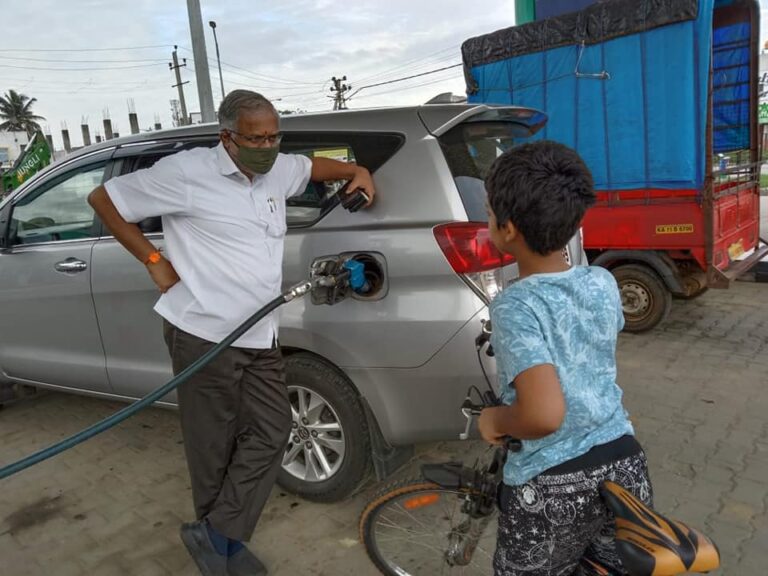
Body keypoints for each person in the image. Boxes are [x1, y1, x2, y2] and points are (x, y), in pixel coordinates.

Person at [88, 90, 376, 576]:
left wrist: (356, 172)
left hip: (259, 331)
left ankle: (217, 532)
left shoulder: (277, 169)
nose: (268, 145)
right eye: (256, 137)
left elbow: (311, 168)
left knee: (272, 429)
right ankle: (222, 549)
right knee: (213, 445)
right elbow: (104, 199)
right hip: (203, 333)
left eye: (273, 135)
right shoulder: (186, 173)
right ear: (228, 137)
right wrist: (154, 261)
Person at [476, 140, 653, 575]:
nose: (487, 219)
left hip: (555, 485)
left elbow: (544, 415)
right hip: (624, 465)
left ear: (509, 230)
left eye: (489, 211)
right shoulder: (602, 282)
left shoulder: (517, 306)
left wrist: (495, 421)